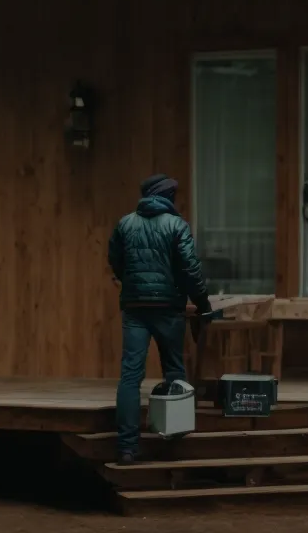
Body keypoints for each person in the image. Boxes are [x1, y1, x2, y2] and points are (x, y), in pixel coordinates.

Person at [107, 173, 212, 464]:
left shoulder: (125, 224)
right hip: (168, 308)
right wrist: (202, 304)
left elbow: (114, 258)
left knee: (130, 376)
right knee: (174, 370)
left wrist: (128, 280)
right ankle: (173, 439)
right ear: (168, 198)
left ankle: (127, 447)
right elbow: (191, 270)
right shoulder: (176, 225)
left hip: (135, 308)